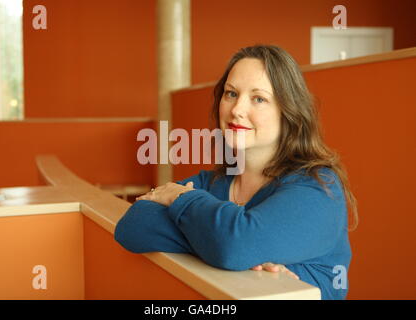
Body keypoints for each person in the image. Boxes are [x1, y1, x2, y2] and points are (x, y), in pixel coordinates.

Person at [114, 44, 358, 300]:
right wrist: (222, 243)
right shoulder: (212, 182)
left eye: (258, 98)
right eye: (231, 94)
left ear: (288, 112)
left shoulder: (318, 187)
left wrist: (182, 201)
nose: (237, 110)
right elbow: (133, 226)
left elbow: (234, 247)